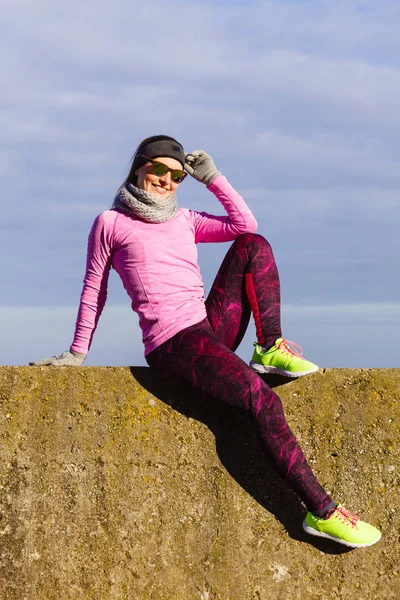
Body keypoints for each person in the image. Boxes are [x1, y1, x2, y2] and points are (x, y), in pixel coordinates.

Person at [30, 134, 381, 548]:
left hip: (207, 328)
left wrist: (213, 179)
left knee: (254, 245)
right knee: (263, 401)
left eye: (177, 175)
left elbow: (243, 225)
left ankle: (269, 346)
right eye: (159, 168)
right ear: (139, 165)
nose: (166, 180)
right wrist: (77, 351)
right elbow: (94, 287)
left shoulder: (185, 219)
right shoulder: (111, 223)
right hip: (173, 343)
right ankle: (321, 512)